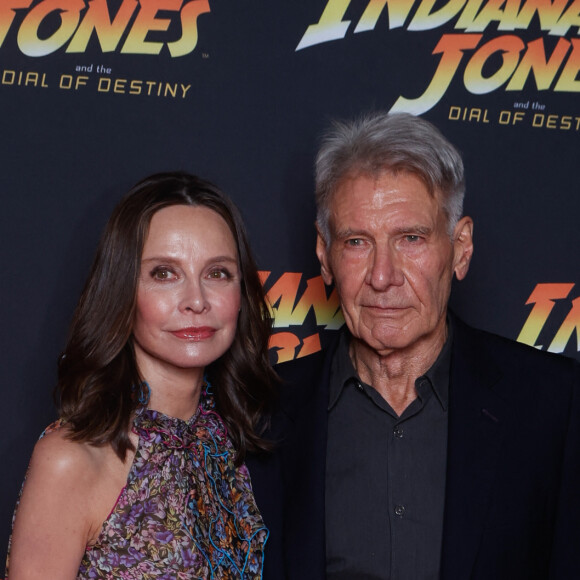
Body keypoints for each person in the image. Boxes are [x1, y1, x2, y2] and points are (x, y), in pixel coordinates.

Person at [274, 112, 580, 579]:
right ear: (324, 255)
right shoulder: (260, 412)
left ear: (460, 248)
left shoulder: (553, 404)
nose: (382, 277)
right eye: (357, 242)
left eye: (411, 239)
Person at [6, 171, 283, 579]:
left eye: (217, 272)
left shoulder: (238, 443)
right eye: (164, 274)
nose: (196, 300)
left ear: (241, 292)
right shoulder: (72, 457)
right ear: (122, 289)